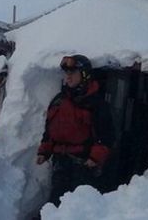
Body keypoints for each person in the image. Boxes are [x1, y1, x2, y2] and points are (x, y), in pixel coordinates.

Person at [36, 55, 115, 206]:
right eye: (67, 73)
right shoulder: (59, 100)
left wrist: (95, 158)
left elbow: (107, 135)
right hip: (60, 163)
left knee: (77, 207)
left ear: (84, 75)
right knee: (55, 203)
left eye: (73, 73)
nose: (68, 77)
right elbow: (50, 130)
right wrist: (44, 151)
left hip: (84, 165)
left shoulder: (96, 104)